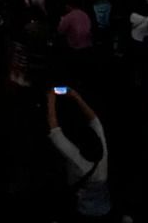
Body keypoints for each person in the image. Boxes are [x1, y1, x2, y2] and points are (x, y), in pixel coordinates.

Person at [46, 88, 111, 219]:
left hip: (83, 210)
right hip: (105, 208)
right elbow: (95, 120)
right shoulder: (101, 149)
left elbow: (55, 132)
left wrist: (50, 98)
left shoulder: (77, 159)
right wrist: (77, 97)